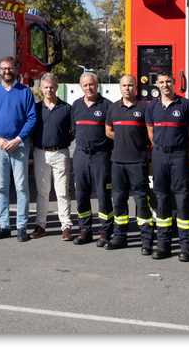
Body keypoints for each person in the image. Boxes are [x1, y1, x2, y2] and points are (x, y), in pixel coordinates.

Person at [0, 56, 37, 242]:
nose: (7, 71)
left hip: (19, 145)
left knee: (21, 187)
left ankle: (21, 227)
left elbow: (31, 118)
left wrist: (18, 139)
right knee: (1, 187)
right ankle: (3, 225)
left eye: (10, 68)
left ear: (16, 69)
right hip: (0, 146)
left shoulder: (25, 92)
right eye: (3, 68)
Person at [146, 72, 189, 261]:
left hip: (179, 156)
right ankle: (163, 245)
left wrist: (184, 151)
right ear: (157, 85)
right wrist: (161, 148)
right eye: (161, 82)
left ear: (174, 83)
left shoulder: (185, 105)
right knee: (161, 199)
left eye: (168, 81)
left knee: (182, 200)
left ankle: (186, 247)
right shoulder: (152, 107)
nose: (165, 85)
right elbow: (151, 132)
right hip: (159, 155)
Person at [104, 75, 152, 252]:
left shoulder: (145, 107)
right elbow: (108, 131)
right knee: (119, 200)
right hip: (117, 162)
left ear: (136, 87)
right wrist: (123, 138)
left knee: (141, 200)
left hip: (137, 162)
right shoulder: (113, 108)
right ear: (120, 87)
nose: (127, 88)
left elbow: (151, 133)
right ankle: (120, 236)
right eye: (124, 85)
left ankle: (146, 239)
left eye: (130, 85)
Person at [70, 71, 115, 246]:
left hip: (101, 156)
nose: (89, 88)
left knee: (103, 195)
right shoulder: (76, 106)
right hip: (81, 155)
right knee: (81, 195)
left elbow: (112, 132)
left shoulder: (107, 106)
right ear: (81, 87)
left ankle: (105, 231)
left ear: (97, 85)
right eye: (85, 85)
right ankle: (85, 230)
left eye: (92, 84)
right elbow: (72, 131)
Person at [31, 73, 74, 240]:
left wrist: (61, 142)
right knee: (42, 192)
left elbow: (72, 132)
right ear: (41, 89)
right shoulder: (35, 108)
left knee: (62, 191)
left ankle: (66, 226)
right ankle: (40, 225)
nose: (49, 90)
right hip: (40, 152)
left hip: (60, 153)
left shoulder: (66, 108)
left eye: (52, 87)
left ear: (56, 87)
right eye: (46, 87)